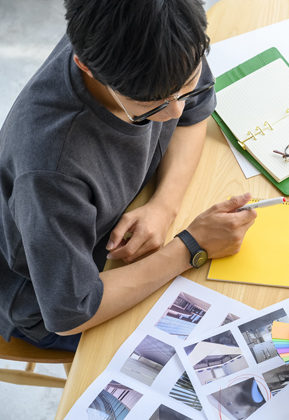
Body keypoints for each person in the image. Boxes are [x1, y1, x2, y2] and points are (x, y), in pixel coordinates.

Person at [0, 0, 256, 352]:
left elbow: (193, 115)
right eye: (151, 107)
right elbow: (72, 312)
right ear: (86, 68)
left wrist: (164, 206)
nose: (176, 110)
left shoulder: (168, 45)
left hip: (122, 224)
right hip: (55, 300)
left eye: (188, 86)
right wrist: (191, 247)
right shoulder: (50, 172)